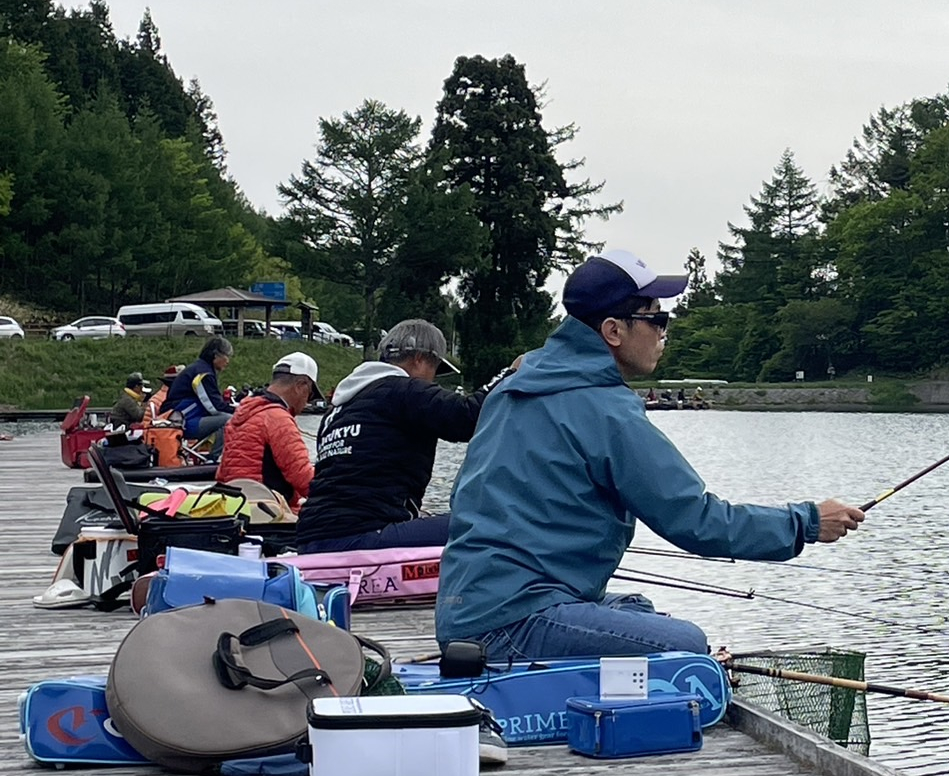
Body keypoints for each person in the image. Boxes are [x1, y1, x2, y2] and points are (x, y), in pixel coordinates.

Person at [436, 248, 866, 661]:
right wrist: (806, 523)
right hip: (511, 623)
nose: (664, 332)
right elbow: (695, 521)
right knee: (686, 644)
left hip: (465, 612)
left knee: (634, 607)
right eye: (657, 319)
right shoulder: (603, 408)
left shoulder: (513, 388)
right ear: (613, 331)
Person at [294, 319, 493, 553]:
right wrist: (511, 374)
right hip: (365, 536)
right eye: (435, 369)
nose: (432, 381)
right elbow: (467, 417)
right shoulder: (403, 390)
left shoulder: (337, 410)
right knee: (485, 523)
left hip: (310, 540)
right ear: (419, 358)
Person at [216, 352, 322, 512]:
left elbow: (222, 474)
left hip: (237, 507)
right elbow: (304, 479)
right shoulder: (277, 418)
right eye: (310, 395)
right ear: (301, 385)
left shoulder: (241, 414)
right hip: (270, 511)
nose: (307, 402)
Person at [163, 337, 236, 459]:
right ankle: (215, 458)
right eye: (226, 356)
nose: (228, 361)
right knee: (230, 419)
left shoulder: (199, 368)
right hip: (181, 422)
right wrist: (241, 410)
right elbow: (214, 407)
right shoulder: (203, 374)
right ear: (215, 355)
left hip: (181, 418)